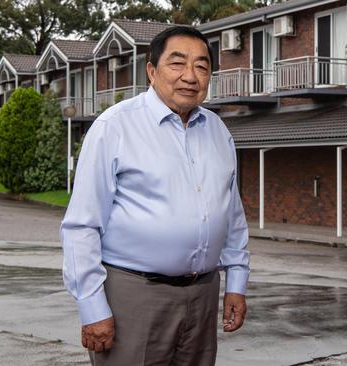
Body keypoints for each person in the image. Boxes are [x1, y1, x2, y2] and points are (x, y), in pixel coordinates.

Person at [60, 26, 250, 366]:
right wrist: (92, 306)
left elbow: (231, 215)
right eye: (177, 64)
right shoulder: (115, 127)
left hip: (203, 295)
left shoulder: (219, 132)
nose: (190, 76)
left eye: (202, 66)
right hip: (134, 295)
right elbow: (81, 226)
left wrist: (236, 281)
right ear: (151, 70)